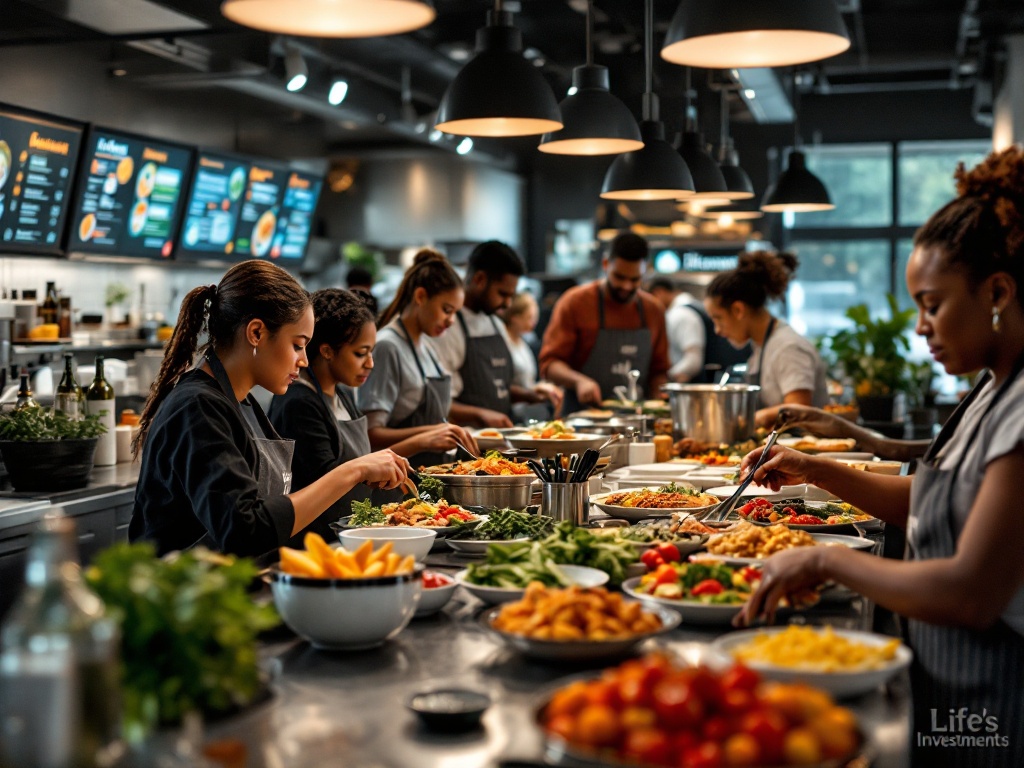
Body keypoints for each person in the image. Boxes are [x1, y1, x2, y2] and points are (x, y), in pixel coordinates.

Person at [737, 147, 1024, 768]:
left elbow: (970, 592)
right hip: (949, 689)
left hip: (998, 714)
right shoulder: (994, 388)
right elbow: (934, 497)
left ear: (997, 292)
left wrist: (828, 557)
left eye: (933, 304)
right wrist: (815, 470)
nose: (921, 326)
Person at [130, 260, 409, 558]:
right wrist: (354, 470)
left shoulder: (243, 403)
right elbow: (245, 529)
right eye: (298, 345)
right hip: (189, 597)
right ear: (256, 333)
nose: (303, 361)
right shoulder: (197, 408)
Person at [268, 289, 438, 541]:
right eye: (361, 353)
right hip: (320, 541)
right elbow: (327, 484)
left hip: (353, 530)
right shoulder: (298, 403)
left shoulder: (342, 393)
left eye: (371, 352)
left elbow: (364, 464)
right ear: (326, 351)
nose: (370, 363)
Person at [358, 249, 479, 470]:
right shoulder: (388, 346)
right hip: (396, 482)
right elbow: (371, 435)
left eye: (455, 314)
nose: (451, 321)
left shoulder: (428, 347)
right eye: (446, 310)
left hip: (429, 473)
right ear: (421, 296)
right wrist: (430, 434)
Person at [432, 241, 561, 427]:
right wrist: (481, 415)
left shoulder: (493, 321)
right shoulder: (448, 328)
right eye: (502, 294)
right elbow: (441, 403)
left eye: (511, 296)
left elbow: (496, 389)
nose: (508, 304)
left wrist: (530, 395)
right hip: (467, 444)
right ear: (479, 279)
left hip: (502, 439)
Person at [540, 232, 670, 415]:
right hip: (582, 419)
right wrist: (579, 381)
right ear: (605, 264)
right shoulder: (575, 302)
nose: (626, 286)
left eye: (635, 280)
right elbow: (550, 364)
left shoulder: (653, 310)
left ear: (645, 271)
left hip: (637, 419)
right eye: (619, 277)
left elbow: (659, 370)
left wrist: (660, 398)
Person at [704, 250, 828, 426]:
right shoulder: (762, 346)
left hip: (806, 448)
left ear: (738, 310)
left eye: (718, 319)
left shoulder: (788, 347)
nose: (717, 330)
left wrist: (749, 420)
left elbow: (799, 408)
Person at [503, 291, 563, 421]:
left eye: (535, 318)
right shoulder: (502, 341)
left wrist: (541, 387)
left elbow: (527, 382)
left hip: (528, 408)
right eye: (529, 318)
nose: (534, 322)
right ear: (514, 317)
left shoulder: (523, 341)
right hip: (511, 412)